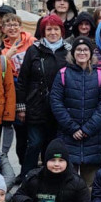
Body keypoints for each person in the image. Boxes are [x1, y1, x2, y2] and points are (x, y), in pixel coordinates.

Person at [49, 36, 101, 185]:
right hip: (68, 135)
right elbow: (56, 102)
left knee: (91, 184)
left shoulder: (99, 74)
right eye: (78, 49)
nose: (82, 52)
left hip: (94, 137)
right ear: (73, 53)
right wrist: (72, 128)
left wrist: (88, 128)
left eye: (85, 50)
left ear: (91, 53)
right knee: (67, 182)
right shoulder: (63, 74)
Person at [16, 14, 68, 177]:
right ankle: (27, 176)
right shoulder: (34, 50)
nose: (53, 32)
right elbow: (23, 79)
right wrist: (21, 106)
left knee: (51, 145)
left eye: (56, 29)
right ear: (43, 31)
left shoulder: (68, 51)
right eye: (49, 29)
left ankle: (48, 178)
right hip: (35, 105)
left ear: (61, 31)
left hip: (58, 107)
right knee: (35, 143)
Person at [0, 11, 34, 163]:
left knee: (32, 136)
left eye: (15, 24)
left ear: (20, 27)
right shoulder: (2, 50)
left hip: (32, 92)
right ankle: (22, 165)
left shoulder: (31, 41)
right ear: (3, 29)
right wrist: (7, 57)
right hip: (14, 93)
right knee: (20, 134)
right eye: (8, 25)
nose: (12, 28)